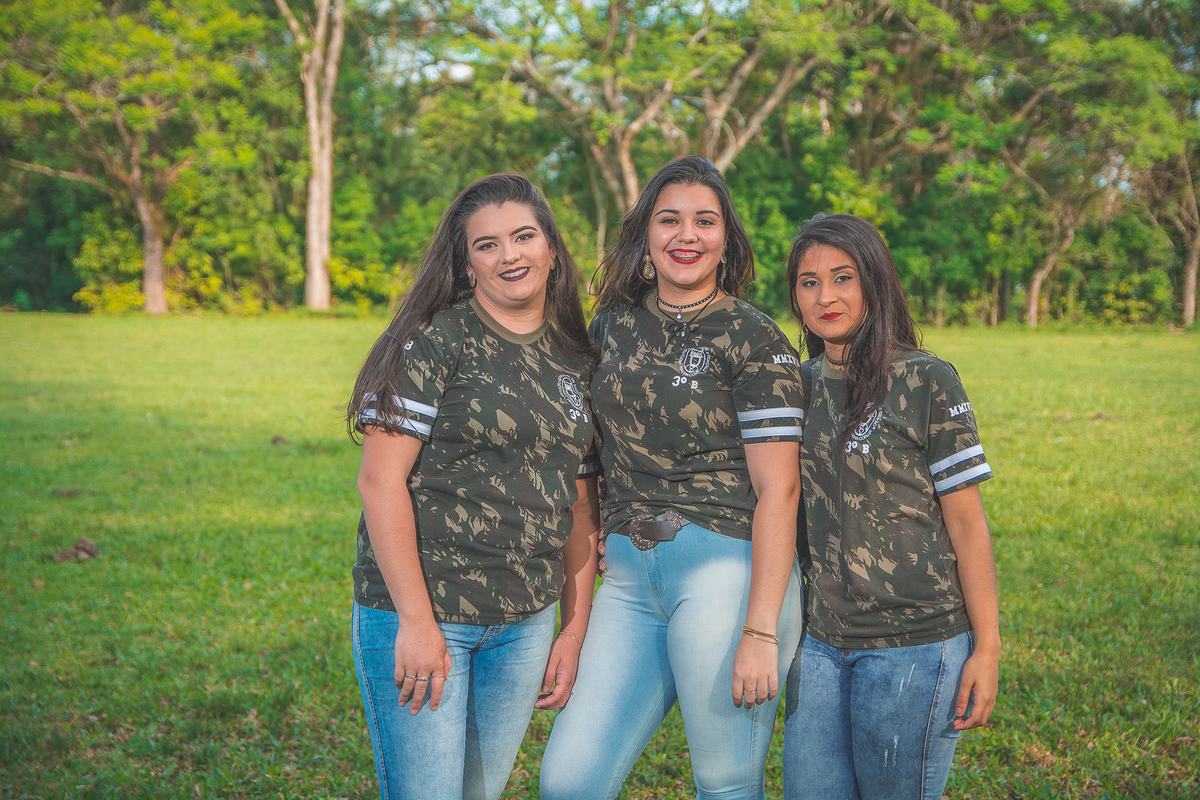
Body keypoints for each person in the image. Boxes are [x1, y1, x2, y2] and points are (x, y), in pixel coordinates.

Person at [540, 156, 805, 800]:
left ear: (727, 239)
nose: (687, 235)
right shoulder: (610, 327)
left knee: (724, 784)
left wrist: (760, 628)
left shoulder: (754, 338)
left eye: (705, 221)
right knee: (568, 783)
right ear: (645, 236)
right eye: (670, 220)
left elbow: (781, 490)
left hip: (726, 574)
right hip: (630, 580)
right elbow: (585, 460)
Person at [345, 174, 602, 800]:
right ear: (467, 266)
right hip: (428, 612)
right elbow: (379, 481)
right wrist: (416, 622)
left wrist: (572, 631)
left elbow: (578, 503)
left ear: (551, 248)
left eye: (523, 237)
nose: (509, 255)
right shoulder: (434, 341)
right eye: (488, 245)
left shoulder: (576, 359)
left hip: (524, 624)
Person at [781, 213, 1000, 800]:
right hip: (820, 642)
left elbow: (967, 522)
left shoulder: (927, 380)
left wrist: (988, 648)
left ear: (874, 283)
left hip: (916, 644)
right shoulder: (794, 387)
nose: (825, 297)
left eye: (843, 278)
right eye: (808, 282)